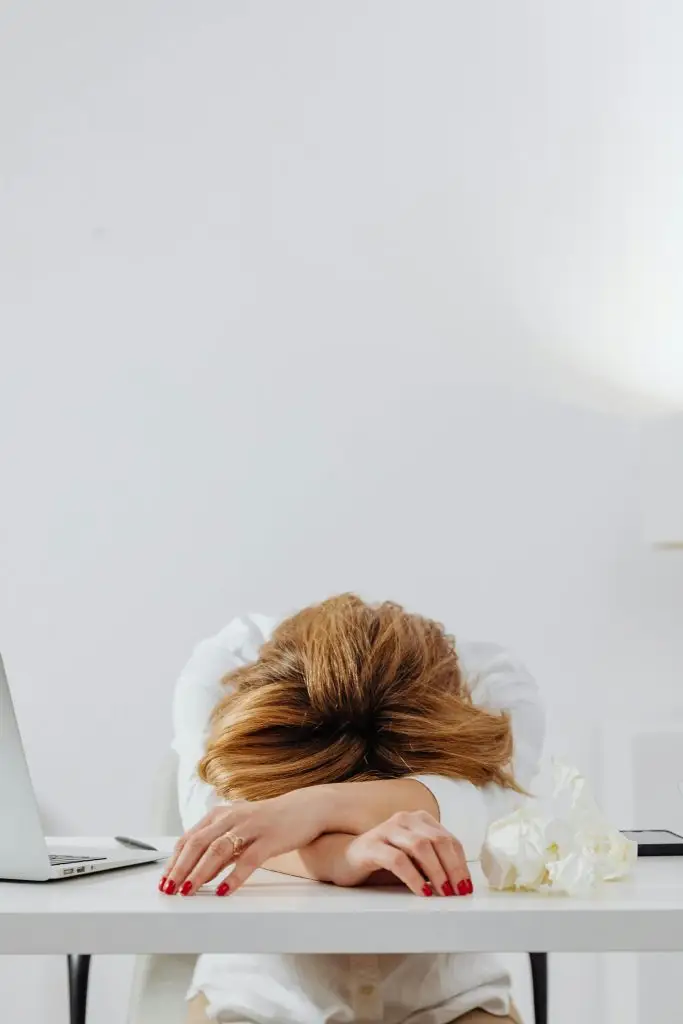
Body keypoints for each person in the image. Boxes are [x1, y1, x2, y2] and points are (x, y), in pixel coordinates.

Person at [165, 594, 545, 1024]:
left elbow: (486, 815)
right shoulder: (226, 664)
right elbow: (220, 831)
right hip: (259, 999)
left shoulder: (491, 684)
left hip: (451, 1000)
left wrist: (313, 807)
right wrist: (341, 857)